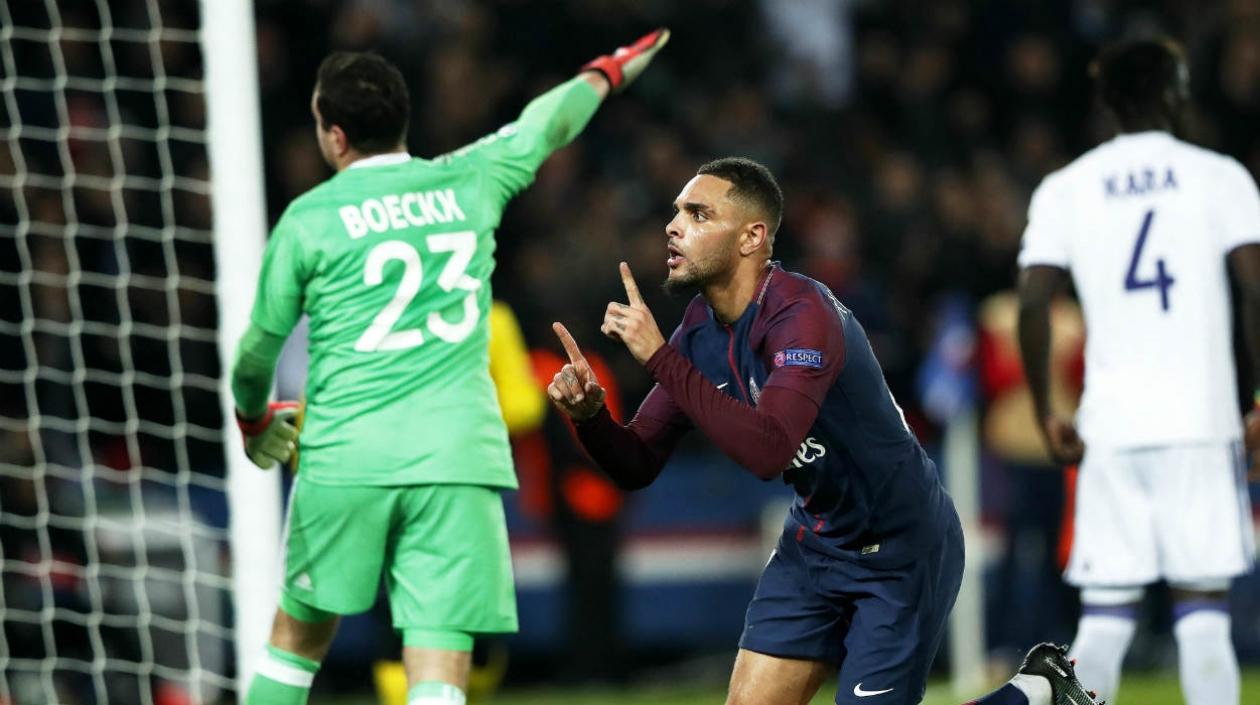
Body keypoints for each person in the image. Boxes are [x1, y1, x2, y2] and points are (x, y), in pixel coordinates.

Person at [546, 157, 1098, 705]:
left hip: (900, 549)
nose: (673, 225)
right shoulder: (700, 329)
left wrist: (659, 357)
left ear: (751, 237)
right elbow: (636, 463)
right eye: (676, 213)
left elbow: (770, 449)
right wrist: (590, 417)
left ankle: (1037, 691)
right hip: (816, 541)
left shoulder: (802, 314)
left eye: (697, 213)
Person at [229, 30, 670, 705]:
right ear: (401, 121)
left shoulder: (308, 218)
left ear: (334, 135)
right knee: (439, 659)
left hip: (348, 453)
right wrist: (606, 73)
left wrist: (255, 420)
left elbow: (257, 352)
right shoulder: (471, 177)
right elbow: (545, 122)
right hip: (455, 457)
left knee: (294, 645)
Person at [1017, 38, 1260, 705]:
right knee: (1205, 619)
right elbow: (1253, 288)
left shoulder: (1066, 187)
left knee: (1104, 618)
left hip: (1111, 425)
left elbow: (1033, 301)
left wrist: (1045, 409)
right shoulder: (1220, 176)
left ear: (1104, 100)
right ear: (1177, 93)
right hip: (1201, 422)